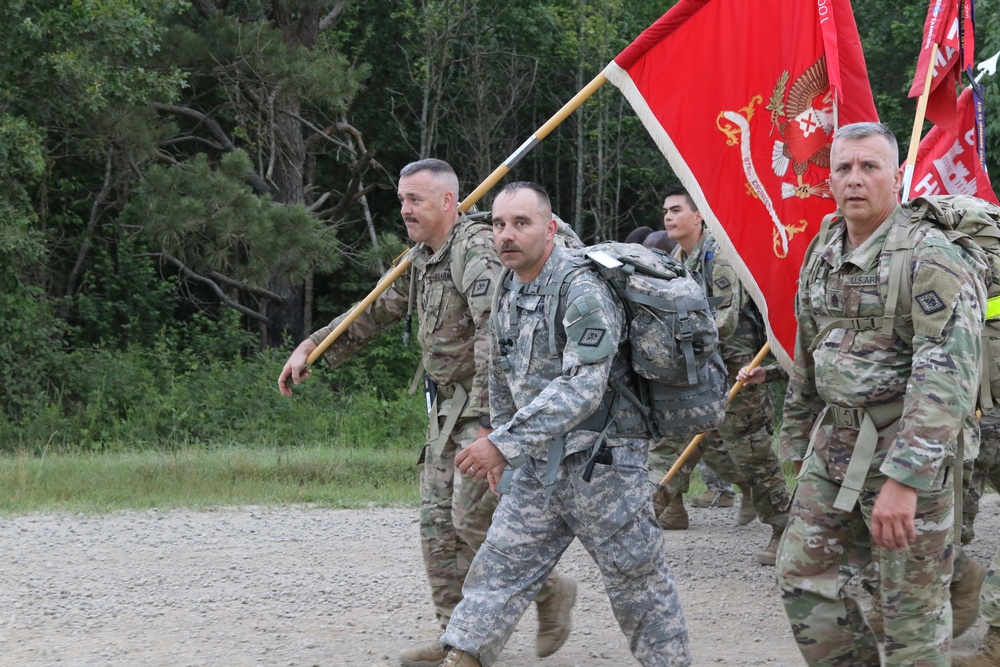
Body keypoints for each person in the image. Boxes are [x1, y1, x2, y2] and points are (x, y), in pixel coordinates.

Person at [277, 159, 574, 667]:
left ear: (446, 202)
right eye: (400, 199)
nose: (404, 209)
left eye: (414, 200)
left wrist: (489, 424)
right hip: (445, 410)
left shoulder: (474, 250)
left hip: (484, 410)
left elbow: (494, 337)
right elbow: (372, 311)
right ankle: (456, 637)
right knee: (437, 526)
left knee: (472, 518)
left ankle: (548, 591)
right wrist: (311, 344)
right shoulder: (421, 258)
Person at [438, 181, 691, 667]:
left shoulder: (581, 287)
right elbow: (503, 369)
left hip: (603, 465)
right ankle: (462, 658)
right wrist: (502, 438)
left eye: (521, 223)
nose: (506, 235)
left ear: (550, 229)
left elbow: (583, 387)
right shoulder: (509, 286)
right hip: (538, 467)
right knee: (498, 570)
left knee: (637, 584)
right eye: (498, 224)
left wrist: (505, 443)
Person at [772, 122, 984, 666]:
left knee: (909, 613)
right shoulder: (824, 244)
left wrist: (905, 481)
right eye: (843, 168)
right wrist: (795, 443)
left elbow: (946, 378)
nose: (855, 180)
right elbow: (808, 348)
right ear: (830, 178)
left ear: (896, 175)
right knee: (802, 577)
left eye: (869, 167)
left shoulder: (930, 256)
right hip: (834, 444)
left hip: (907, 451)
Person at [648, 185, 789, 565]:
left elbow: (725, 320)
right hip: (698, 364)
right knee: (680, 435)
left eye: (676, 209)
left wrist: (682, 341)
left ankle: (784, 528)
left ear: (698, 216)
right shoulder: (678, 257)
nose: (668, 217)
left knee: (751, 450)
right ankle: (666, 505)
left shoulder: (719, 255)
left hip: (735, 366)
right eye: (666, 210)